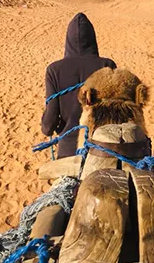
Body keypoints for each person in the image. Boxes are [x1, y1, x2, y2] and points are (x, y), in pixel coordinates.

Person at [41, 13, 117, 158]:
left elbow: (48, 126)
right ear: (93, 39)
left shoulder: (54, 70)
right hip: (103, 152)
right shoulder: (107, 65)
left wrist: (46, 126)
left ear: (67, 40)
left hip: (67, 153)